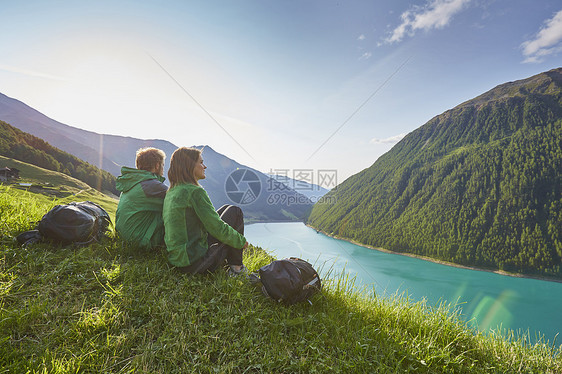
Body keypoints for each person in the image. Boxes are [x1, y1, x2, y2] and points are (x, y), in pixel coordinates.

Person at [163, 147, 248, 275]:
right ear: (190, 165)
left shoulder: (173, 191)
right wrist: (241, 241)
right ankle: (237, 269)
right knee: (235, 212)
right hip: (195, 263)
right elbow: (216, 227)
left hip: (178, 259)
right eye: (201, 162)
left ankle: (234, 266)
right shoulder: (195, 191)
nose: (205, 166)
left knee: (227, 209)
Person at [115, 147, 167, 249]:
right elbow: (179, 199)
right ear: (157, 165)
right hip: (139, 240)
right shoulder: (150, 185)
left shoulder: (134, 181)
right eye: (163, 165)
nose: (163, 169)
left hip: (124, 238)